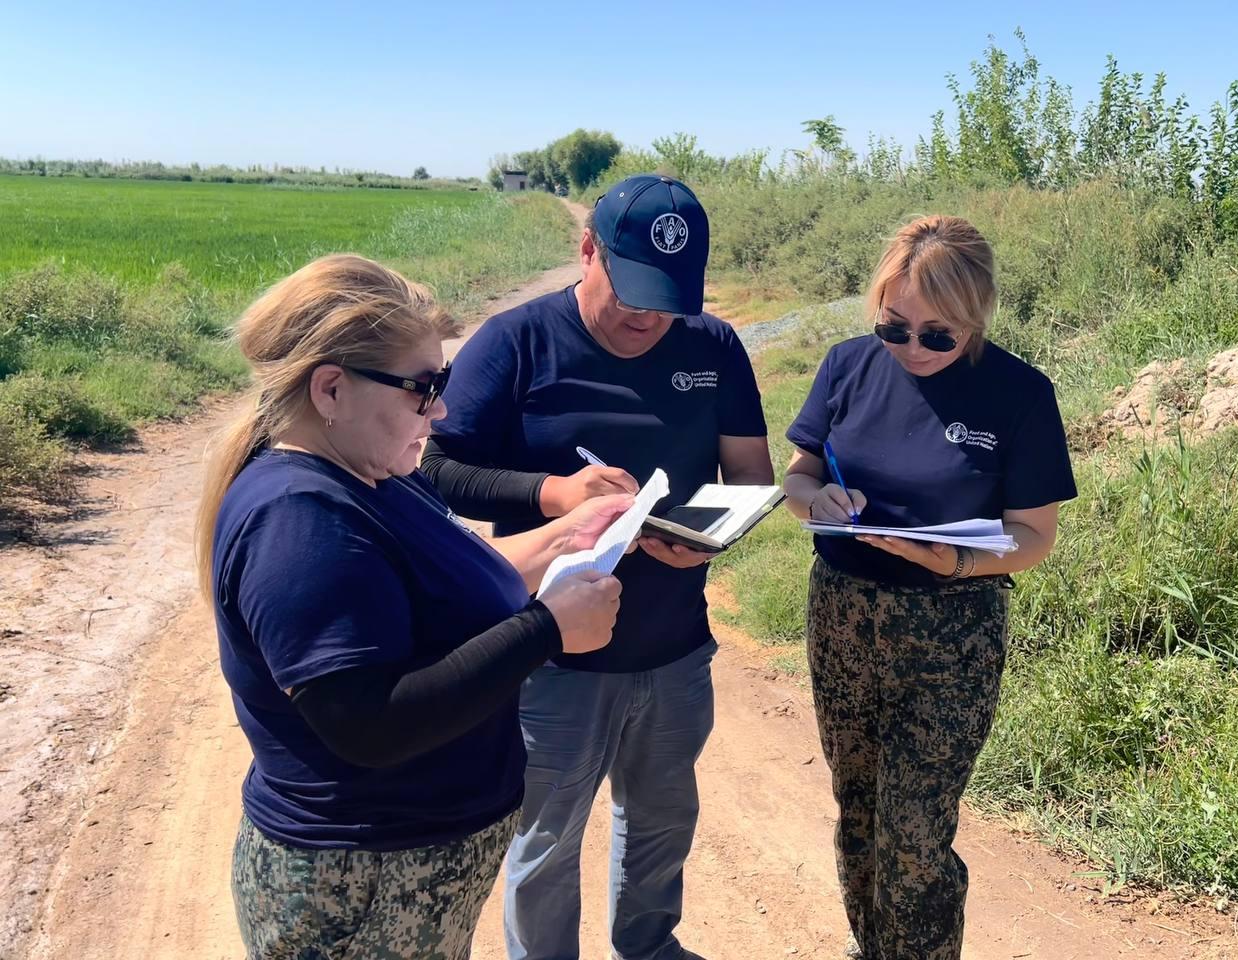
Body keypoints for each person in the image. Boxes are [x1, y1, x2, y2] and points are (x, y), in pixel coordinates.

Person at [194, 253, 633, 960]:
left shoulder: (373, 472)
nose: (442, 410)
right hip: (360, 888)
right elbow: (369, 725)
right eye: (423, 388)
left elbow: (451, 587)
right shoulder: (299, 521)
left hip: (403, 875)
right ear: (330, 389)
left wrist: (562, 541)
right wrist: (545, 630)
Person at [421, 174, 774, 960]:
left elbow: (751, 475)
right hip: (552, 653)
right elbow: (430, 466)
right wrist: (551, 492)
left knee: (661, 824)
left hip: (676, 646)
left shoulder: (712, 346)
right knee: (547, 841)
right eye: (632, 289)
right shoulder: (516, 343)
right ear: (588, 250)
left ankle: (649, 948)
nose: (648, 316)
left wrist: (713, 536)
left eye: (668, 298)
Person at [781, 215, 1077, 960]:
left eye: (938, 335)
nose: (913, 349)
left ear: (976, 317)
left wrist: (957, 563)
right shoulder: (846, 366)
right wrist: (811, 500)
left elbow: (1033, 538)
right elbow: (800, 473)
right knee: (858, 806)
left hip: (953, 626)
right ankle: (870, 944)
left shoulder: (1019, 394)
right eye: (894, 327)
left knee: (915, 829)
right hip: (843, 612)